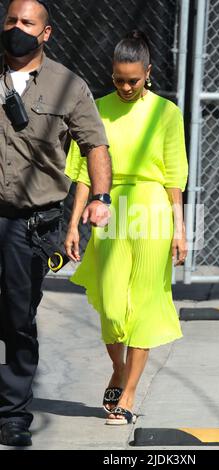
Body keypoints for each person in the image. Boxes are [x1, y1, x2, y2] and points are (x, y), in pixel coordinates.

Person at [0, 0, 112, 446]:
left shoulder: (68, 85)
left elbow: (95, 145)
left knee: (17, 321)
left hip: (30, 224)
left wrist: (100, 197)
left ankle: (12, 415)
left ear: (46, 33)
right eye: (11, 20)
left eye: (28, 23)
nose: (17, 29)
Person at [65, 30, 188, 425]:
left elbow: (174, 177)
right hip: (109, 209)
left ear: (148, 72)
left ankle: (130, 390)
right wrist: (73, 225)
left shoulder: (166, 113)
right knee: (114, 304)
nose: (126, 86)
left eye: (133, 79)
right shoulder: (96, 109)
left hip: (152, 210)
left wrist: (180, 228)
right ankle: (118, 367)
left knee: (146, 303)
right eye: (119, 78)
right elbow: (83, 173)